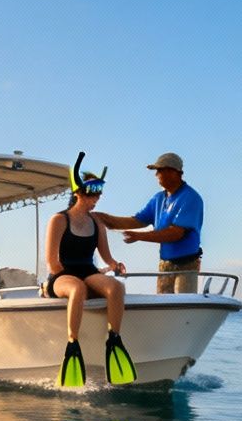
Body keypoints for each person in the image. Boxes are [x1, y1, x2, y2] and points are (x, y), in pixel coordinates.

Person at [46, 159, 133, 386]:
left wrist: (115, 266)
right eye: (91, 196)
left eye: (98, 196)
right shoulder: (59, 220)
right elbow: (51, 262)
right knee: (77, 288)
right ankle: (73, 342)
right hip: (62, 274)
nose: (95, 200)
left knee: (116, 287)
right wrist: (63, 279)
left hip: (88, 271)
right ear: (78, 194)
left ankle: (113, 338)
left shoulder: (97, 222)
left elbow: (106, 257)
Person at [99, 152, 203, 293]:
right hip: (165, 264)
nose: (156, 175)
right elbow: (137, 221)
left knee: (181, 303)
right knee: (164, 305)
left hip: (186, 265)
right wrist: (106, 220)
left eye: (159, 170)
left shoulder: (191, 198)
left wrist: (140, 236)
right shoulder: (158, 198)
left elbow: (175, 233)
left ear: (173, 172)